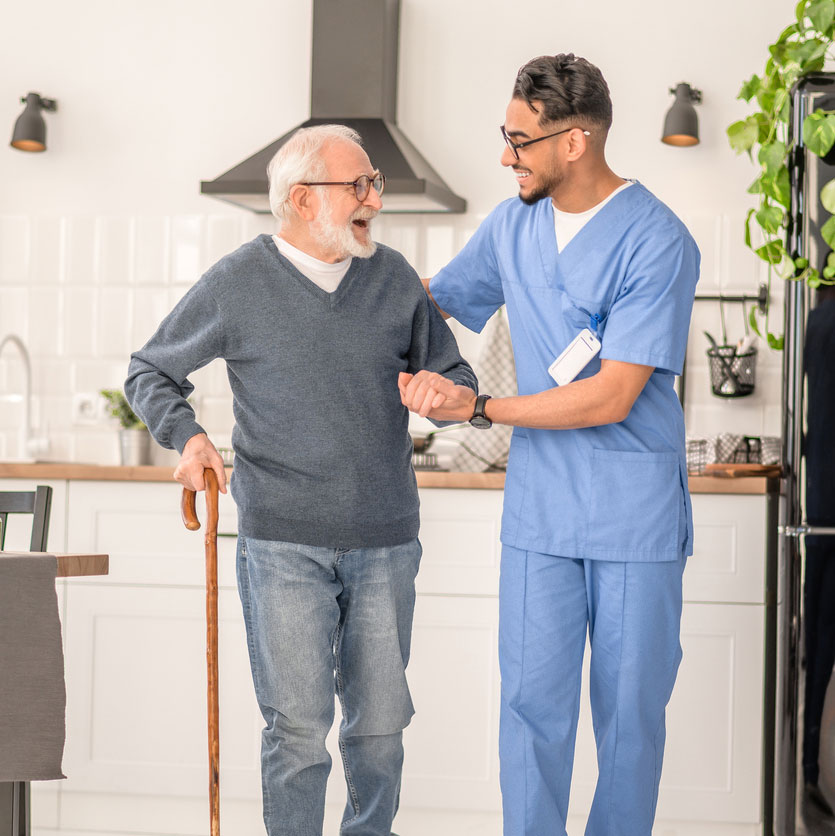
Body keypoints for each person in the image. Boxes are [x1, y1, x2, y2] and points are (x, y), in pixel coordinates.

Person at [125, 124, 476, 836]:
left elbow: (456, 377)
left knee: (379, 729)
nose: (373, 199)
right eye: (358, 185)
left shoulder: (394, 278)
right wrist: (188, 438)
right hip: (281, 541)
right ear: (300, 200)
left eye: (373, 183)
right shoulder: (238, 281)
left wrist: (444, 393)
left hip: (384, 539)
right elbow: (149, 371)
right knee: (297, 732)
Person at [399, 54, 700, 836]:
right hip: (540, 512)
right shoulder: (511, 227)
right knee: (531, 707)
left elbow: (612, 393)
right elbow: (432, 310)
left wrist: (481, 406)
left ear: (575, 141)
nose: (505, 156)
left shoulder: (657, 238)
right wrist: (342, 287)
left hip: (631, 514)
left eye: (519, 140)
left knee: (629, 715)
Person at [802, 284, 835, 818]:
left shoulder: (820, 318)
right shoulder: (828, 320)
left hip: (823, 503)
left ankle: (811, 770)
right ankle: (813, 774)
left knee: (820, 641)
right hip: (829, 510)